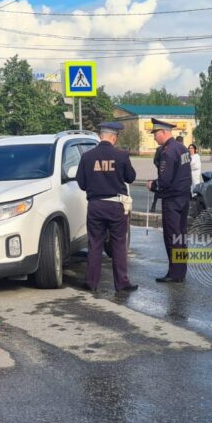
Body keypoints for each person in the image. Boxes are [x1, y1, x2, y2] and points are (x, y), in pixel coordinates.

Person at [75, 122, 138, 294]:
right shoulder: (121, 155)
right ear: (113, 137)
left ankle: (91, 282)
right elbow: (131, 177)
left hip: (95, 205)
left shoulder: (87, 157)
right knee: (118, 243)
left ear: (100, 136)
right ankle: (121, 283)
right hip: (116, 206)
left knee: (94, 243)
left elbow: (81, 183)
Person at [146, 118, 191, 283]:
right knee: (181, 236)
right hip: (184, 198)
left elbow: (164, 181)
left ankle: (175, 274)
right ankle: (181, 271)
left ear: (163, 132)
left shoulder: (167, 152)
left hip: (172, 200)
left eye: (155, 134)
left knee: (172, 237)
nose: (154, 137)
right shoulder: (182, 148)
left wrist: (152, 185)